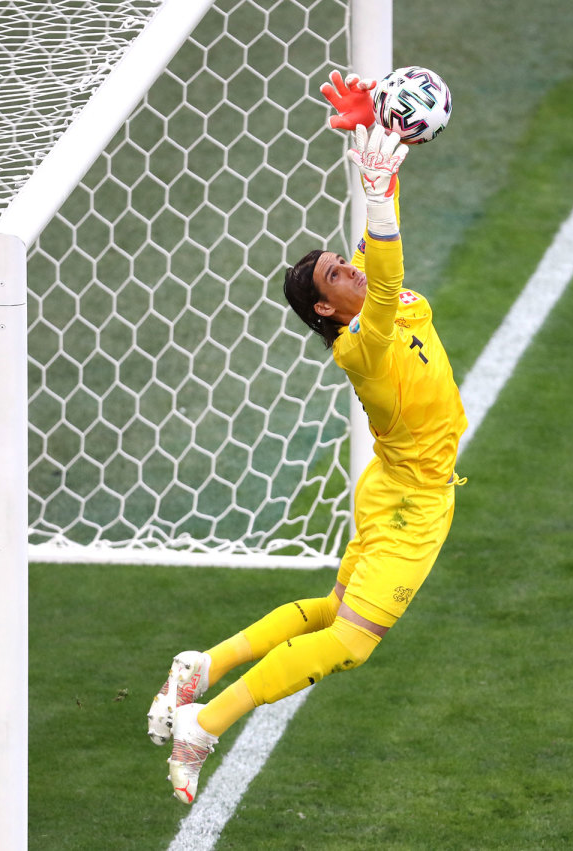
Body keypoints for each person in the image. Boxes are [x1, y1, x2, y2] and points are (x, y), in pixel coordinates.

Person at [147, 70, 468, 805]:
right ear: (328, 305)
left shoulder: (380, 304)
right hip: (412, 506)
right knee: (352, 641)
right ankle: (208, 721)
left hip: (392, 489)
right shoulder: (365, 344)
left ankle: (205, 665)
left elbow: (377, 254)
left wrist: (366, 137)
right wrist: (382, 187)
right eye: (336, 272)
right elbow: (380, 274)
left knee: (334, 608)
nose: (350, 265)